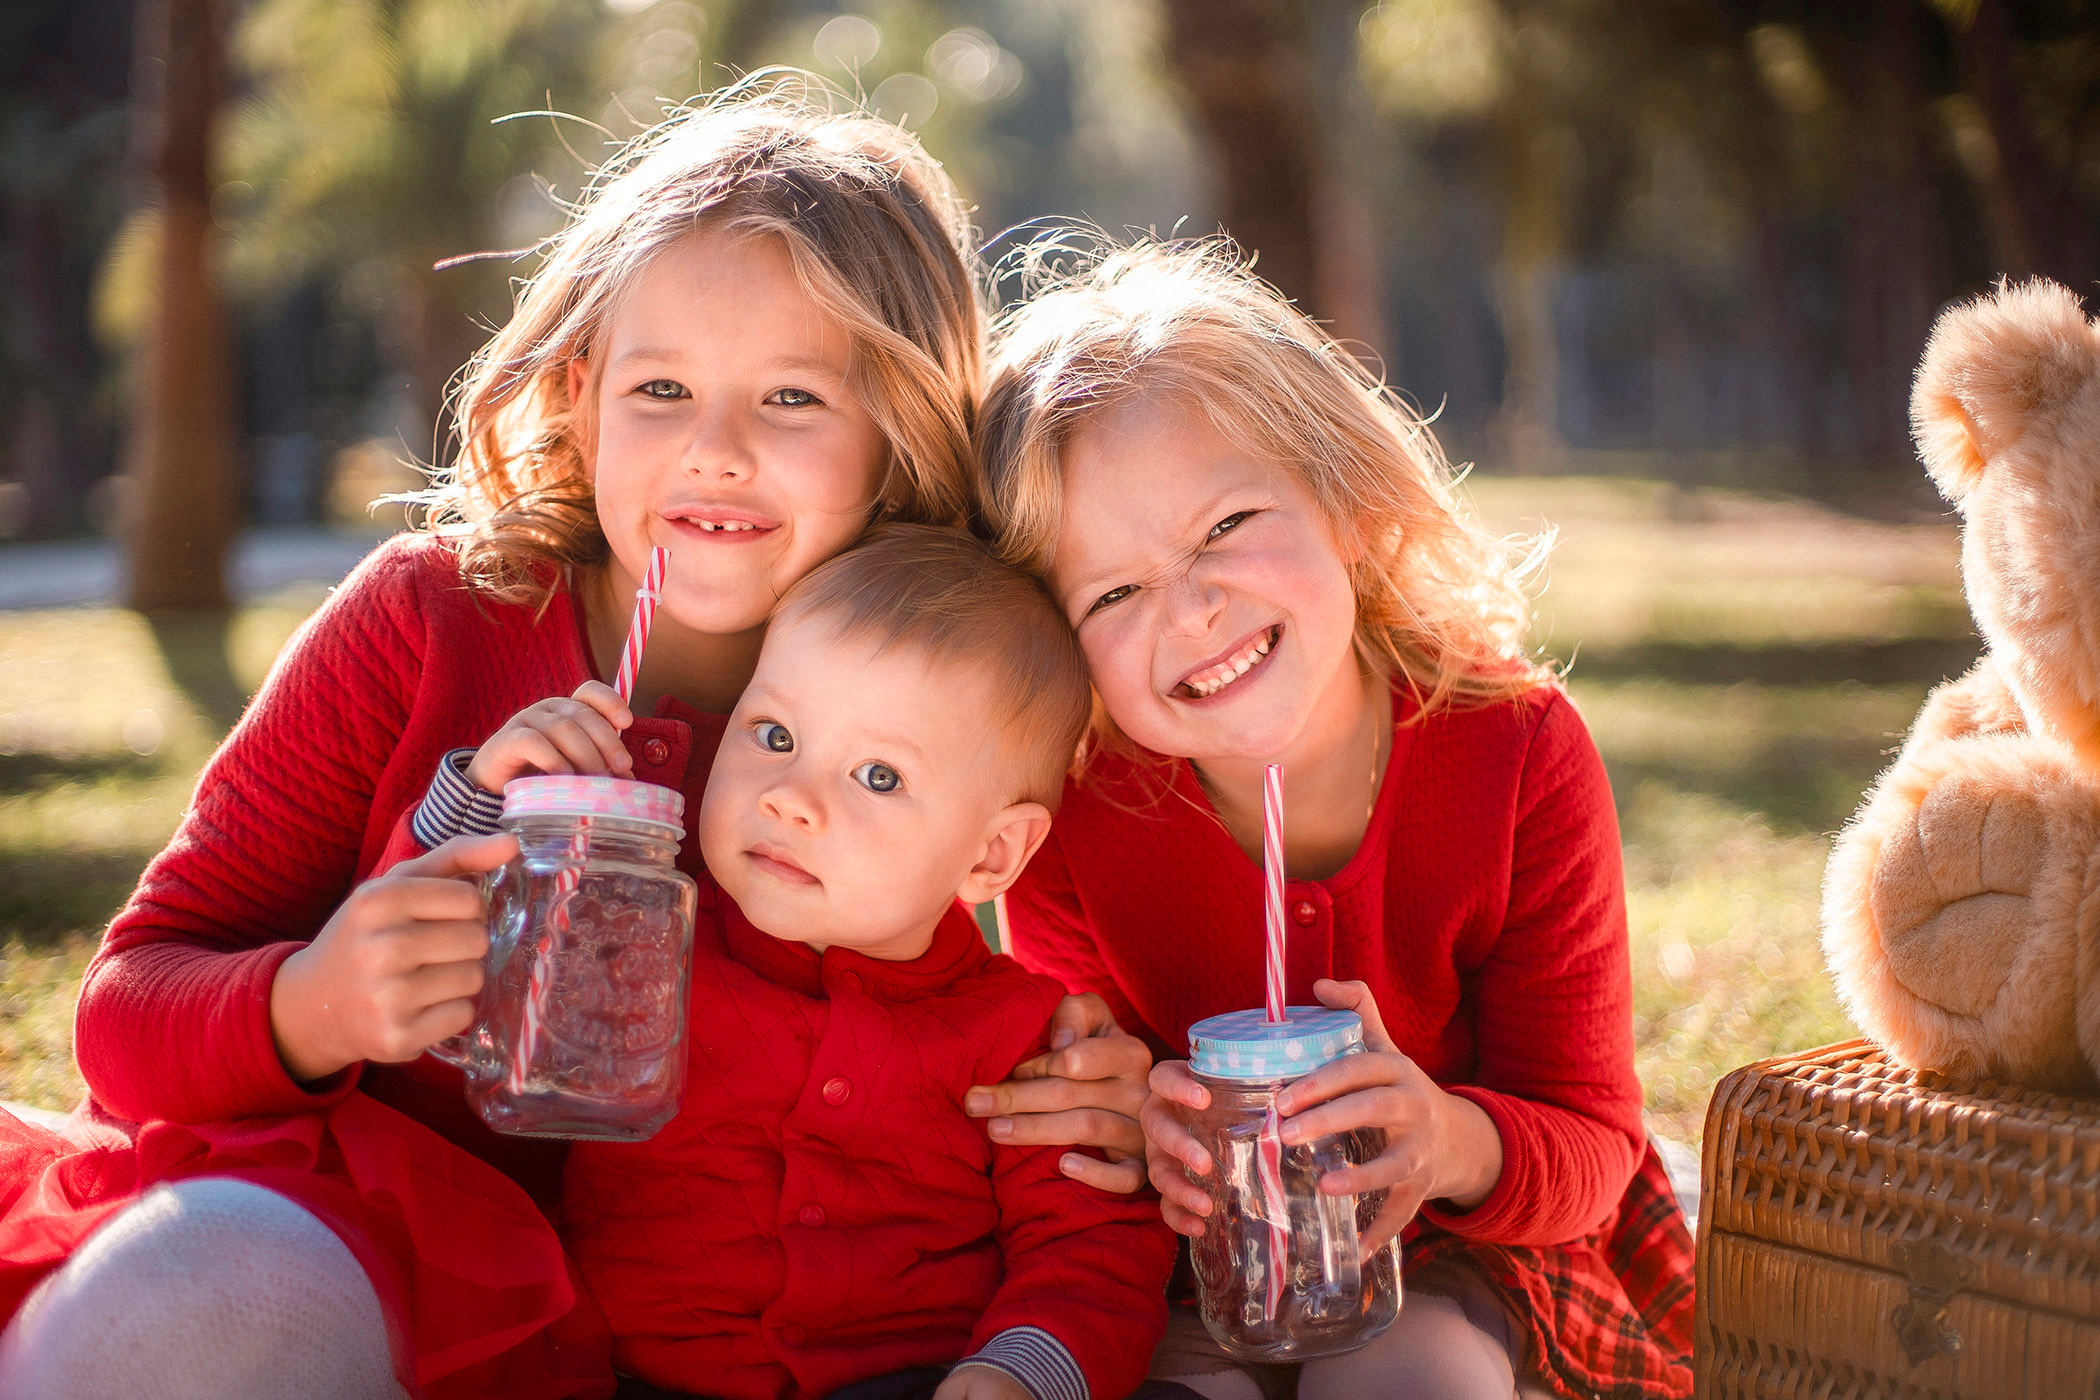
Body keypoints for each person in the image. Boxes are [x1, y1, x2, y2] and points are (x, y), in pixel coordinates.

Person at [0, 76, 988, 1400]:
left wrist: (1083, 1073)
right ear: (581, 394)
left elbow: (1040, 971)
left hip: (724, 1325)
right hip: (354, 1252)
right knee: (187, 1308)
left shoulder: (954, 707)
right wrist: (314, 1003)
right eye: (662, 388)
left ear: (901, 431)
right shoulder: (430, 624)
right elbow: (127, 1014)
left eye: (794, 400)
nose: (717, 452)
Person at [972, 237, 1696, 1400]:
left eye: (1224, 526)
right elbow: (1086, 1120)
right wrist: (1126, 1126)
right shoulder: (1071, 816)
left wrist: (1446, 1137)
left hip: (1475, 1238)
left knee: (1404, 1376)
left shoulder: (1513, 751)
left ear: (1348, 504)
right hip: (1199, 1258)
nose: (1194, 605)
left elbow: (1591, 1142)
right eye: (1112, 591)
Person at [418, 525, 1179, 1400]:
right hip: (629, 1371)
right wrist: (482, 804)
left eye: (879, 777)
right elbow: (456, 1002)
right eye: (774, 735)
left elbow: (1092, 1242)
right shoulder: (636, 938)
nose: (789, 799)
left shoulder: (1020, 1038)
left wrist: (1021, 1368)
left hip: (918, 1379)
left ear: (993, 856)